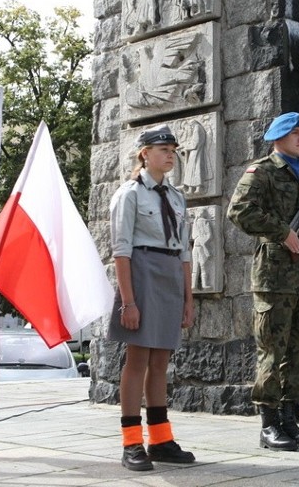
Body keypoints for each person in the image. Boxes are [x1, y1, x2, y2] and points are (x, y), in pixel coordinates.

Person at [227, 112, 299, 451]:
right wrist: (282, 232)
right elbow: (239, 210)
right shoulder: (262, 172)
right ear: (278, 138)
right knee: (272, 351)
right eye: (295, 133)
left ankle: (289, 419)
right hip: (274, 278)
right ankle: (268, 425)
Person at [107, 124, 196, 471]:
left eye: (173, 150)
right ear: (145, 153)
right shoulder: (128, 194)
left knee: (161, 362)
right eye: (163, 150)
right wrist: (128, 302)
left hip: (170, 275)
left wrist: (188, 299)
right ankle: (132, 443)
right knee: (138, 359)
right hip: (142, 272)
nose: (170, 154)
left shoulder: (176, 197)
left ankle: (160, 439)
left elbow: (185, 253)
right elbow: (121, 252)